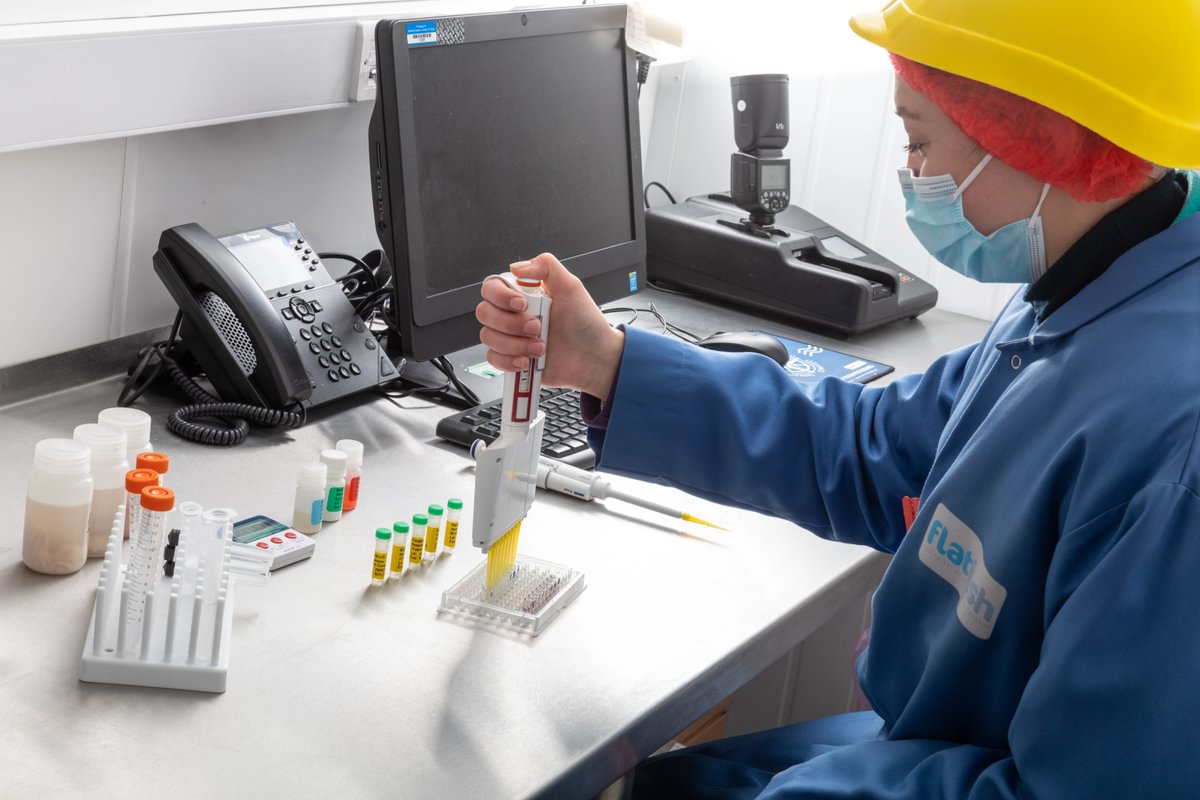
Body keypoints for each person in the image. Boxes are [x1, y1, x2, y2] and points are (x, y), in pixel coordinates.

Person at [477, 0, 1200, 796]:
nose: (911, 173)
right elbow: (882, 448)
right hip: (924, 746)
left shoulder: (1174, 448)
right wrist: (608, 363)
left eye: (920, 140)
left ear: (1038, 137)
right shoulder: (1087, 279)